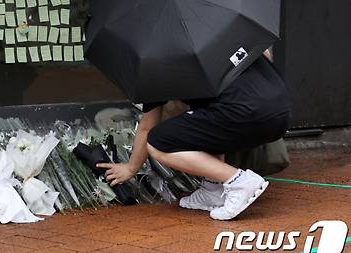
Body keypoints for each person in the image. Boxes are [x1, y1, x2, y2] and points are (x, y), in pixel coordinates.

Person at [97, 51, 291, 220]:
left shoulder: (160, 60)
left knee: (159, 141)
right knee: (204, 119)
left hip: (244, 114)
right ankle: (213, 190)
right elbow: (265, 53)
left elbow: (147, 127)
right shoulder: (224, 27)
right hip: (281, 112)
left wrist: (131, 168)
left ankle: (238, 181)